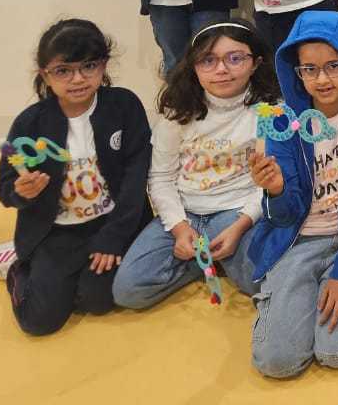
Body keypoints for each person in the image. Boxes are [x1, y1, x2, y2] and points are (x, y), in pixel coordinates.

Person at [247, 11, 338, 377]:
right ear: (296, 71)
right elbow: (283, 214)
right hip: (297, 242)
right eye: (309, 69)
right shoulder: (283, 122)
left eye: (333, 66)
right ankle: (288, 301)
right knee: (276, 362)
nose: (322, 79)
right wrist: (276, 190)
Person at [0, 20, 151, 335]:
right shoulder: (30, 123)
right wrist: (20, 192)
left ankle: (75, 278)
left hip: (111, 222)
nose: (78, 79)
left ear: (103, 65)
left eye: (89, 66)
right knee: (38, 322)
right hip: (57, 232)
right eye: (63, 70)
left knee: (97, 299)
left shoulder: (124, 106)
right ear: (45, 75)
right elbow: (5, 188)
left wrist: (113, 236)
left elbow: (136, 179)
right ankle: (15, 267)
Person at [113, 19, 278, 309]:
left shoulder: (269, 111)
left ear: (255, 63)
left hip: (236, 211)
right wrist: (179, 228)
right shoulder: (178, 111)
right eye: (208, 60)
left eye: (235, 58)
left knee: (259, 282)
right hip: (186, 211)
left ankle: (210, 254)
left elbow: (266, 183)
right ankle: (206, 259)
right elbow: (161, 178)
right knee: (129, 291)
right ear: (193, 66)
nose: (221, 69)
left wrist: (241, 225)